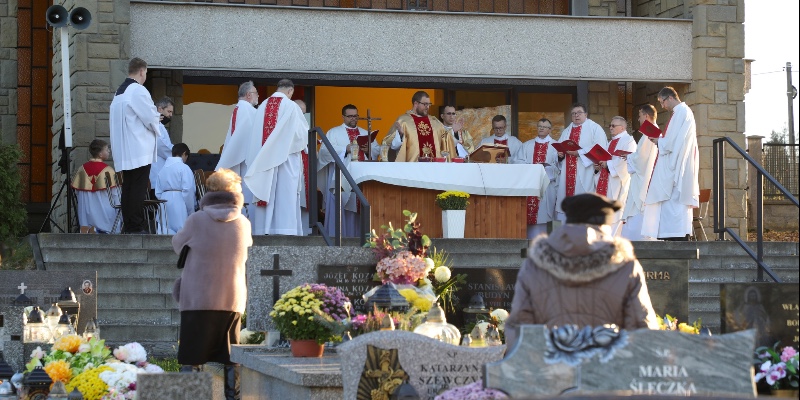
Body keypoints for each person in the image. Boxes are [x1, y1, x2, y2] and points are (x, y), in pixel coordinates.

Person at [504, 193, 660, 350]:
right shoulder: (626, 265)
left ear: (569, 221)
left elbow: (518, 328)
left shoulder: (535, 264)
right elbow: (643, 329)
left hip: (552, 369)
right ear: (606, 225)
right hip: (607, 370)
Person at [172, 168, 252, 400]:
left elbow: (177, 244)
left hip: (198, 298)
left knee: (192, 354)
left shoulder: (196, 219)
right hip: (231, 298)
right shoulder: (244, 223)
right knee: (230, 356)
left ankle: (192, 397)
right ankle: (232, 397)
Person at [244, 79, 308, 235]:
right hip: (286, 160)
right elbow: (301, 135)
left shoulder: (262, 106)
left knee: (267, 191)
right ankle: (285, 230)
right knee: (284, 194)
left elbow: (255, 135)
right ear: (290, 91)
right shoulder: (292, 106)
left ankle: (263, 229)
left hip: (263, 161)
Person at [109, 58, 162, 234]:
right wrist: (158, 120)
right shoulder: (138, 90)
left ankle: (129, 225)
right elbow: (150, 117)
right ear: (141, 71)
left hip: (124, 149)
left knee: (128, 187)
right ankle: (136, 226)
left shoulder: (119, 93)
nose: (145, 76)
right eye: (146, 73)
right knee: (138, 188)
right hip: (139, 148)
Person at [642, 87, 700, 241]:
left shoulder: (681, 112)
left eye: (662, 102)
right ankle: (674, 236)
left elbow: (672, 142)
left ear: (669, 98)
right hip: (678, 163)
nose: (662, 106)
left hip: (676, 167)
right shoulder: (682, 112)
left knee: (673, 203)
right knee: (672, 205)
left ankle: (675, 238)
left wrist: (658, 141)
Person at [317, 104, 380, 237]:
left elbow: (377, 150)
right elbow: (323, 152)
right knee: (342, 205)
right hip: (341, 176)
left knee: (362, 204)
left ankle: (361, 237)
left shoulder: (365, 132)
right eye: (350, 116)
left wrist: (368, 150)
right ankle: (340, 237)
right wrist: (345, 149)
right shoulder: (333, 132)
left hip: (362, 177)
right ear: (343, 117)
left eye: (355, 116)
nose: (353, 119)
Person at [554, 103, 608, 222]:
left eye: (579, 113)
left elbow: (600, 149)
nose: (576, 115)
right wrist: (560, 155)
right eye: (573, 113)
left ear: (586, 114)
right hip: (567, 173)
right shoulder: (567, 130)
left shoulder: (595, 128)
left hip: (585, 171)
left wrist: (579, 153)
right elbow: (559, 148)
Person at [216, 81, 260, 222]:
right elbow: (243, 136)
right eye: (255, 93)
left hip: (242, 159)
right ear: (248, 95)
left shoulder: (241, 109)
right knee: (247, 196)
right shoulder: (247, 110)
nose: (258, 96)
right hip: (247, 162)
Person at [513, 119, 560, 238]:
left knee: (545, 215)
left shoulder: (555, 146)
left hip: (547, 186)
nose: (541, 128)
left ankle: (547, 242)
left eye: (545, 127)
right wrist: (531, 169)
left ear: (550, 130)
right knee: (528, 216)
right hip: (530, 185)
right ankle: (529, 242)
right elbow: (517, 161)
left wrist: (547, 169)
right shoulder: (527, 145)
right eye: (539, 126)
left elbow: (559, 166)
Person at [593, 116, 636, 236]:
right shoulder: (611, 142)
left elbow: (627, 161)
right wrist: (599, 166)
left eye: (613, 126)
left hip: (618, 184)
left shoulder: (629, 141)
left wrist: (608, 164)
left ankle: (613, 242)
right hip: (606, 181)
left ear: (622, 127)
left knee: (615, 214)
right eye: (610, 126)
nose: (610, 128)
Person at [383, 91, 456, 161]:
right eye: (425, 104)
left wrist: (452, 131)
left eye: (429, 104)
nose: (427, 107)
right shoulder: (403, 121)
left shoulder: (435, 122)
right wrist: (400, 135)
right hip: (412, 167)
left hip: (434, 168)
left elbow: (446, 142)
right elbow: (390, 146)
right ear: (416, 104)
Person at [621, 105, 659, 241]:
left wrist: (629, 157)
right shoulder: (652, 132)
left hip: (643, 180)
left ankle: (639, 241)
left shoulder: (650, 132)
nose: (638, 119)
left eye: (640, 115)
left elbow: (642, 160)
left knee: (638, 211)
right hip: (646, 178)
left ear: (646, 116)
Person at [71, 139, 119, 233]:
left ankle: (87, 229)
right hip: (104, 211)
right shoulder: (108, 170)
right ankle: (102, 229)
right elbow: (115, 193)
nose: (109, 151)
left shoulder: (82, 169)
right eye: (106, 149)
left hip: (86, 211)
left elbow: (78, 192)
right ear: (100, 154)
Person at [156, 143, 196, 234]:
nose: (186, 160)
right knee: (182, 232)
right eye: (187, 157)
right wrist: (191, 209)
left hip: (163, 200)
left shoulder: (163, 169)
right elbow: (188, 189)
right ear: (184, 153)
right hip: (179, 200)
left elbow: (158, 192)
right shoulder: (184, 168)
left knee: (164, 230)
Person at [148, 97, 176, 191]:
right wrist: (176, 153)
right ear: (160, 109)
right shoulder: (156, 125)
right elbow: (161, 145)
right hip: (156, 167)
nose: (170, 115)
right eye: (169, 111)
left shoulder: (160, 125)